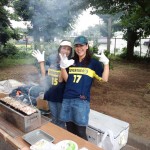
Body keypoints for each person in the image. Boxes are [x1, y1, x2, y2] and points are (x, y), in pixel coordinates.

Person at [59, 35, 109, 140]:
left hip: (81, 101)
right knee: (70, 130)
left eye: (81, 45)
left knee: (81, 132)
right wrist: (63, 67)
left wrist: (106, 64)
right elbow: (67, 80)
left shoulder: (93, 63)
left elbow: (104, 79)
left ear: (86, 46)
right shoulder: (71, 61)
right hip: (67, 99)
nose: (79, 48)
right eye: (76, 46)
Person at [32, 40, 74, 128]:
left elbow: (61, 80)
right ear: (59, 49)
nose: (66, 51)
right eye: (64, 48)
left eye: (68, 49)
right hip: (50, 93)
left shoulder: (70, 63)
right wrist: (41, 62)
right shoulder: (52, 58)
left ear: (70, 52)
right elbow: (44, 75)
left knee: (61, 120)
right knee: (54, 118)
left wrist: (63, 66)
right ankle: (55, 136)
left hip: (61, 95)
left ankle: (60, 136)